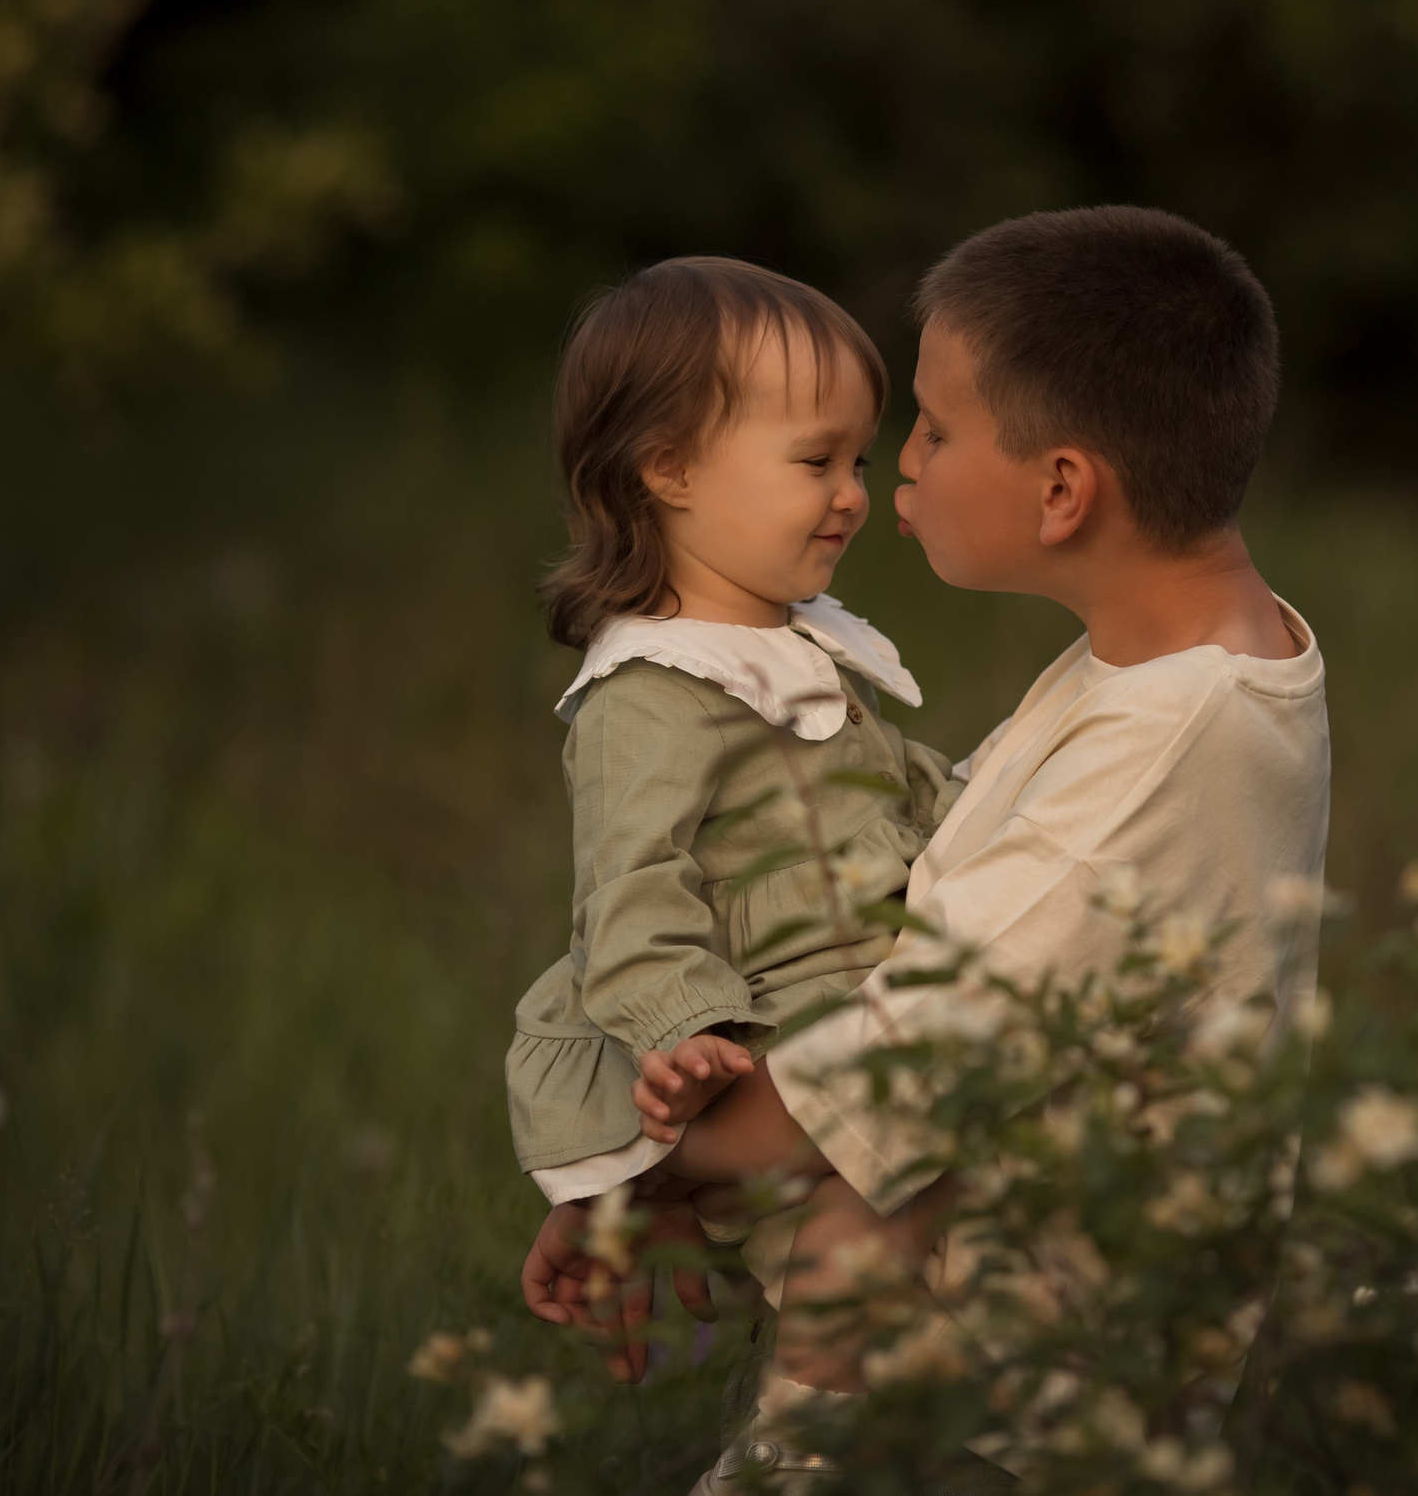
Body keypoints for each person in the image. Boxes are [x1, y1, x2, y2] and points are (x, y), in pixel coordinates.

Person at [523, 207, 1333, 1488]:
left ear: (1063, 489)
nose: (891, 471)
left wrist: (629, 1185)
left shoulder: (1171, 742)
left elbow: (894, 1072)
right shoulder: (1168, 669)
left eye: (937, 433)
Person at [505, 256, 965, 1383]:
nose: (853, 492)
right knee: (870, 1281)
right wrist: (683, 1036)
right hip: (761, 1039)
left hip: (848, 1011)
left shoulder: (790, 643)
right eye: (816, 461)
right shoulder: (650, 693)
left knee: (912, 1277)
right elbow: (631, 891)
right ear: (668, 469)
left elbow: (897, 789)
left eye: (857, 460)